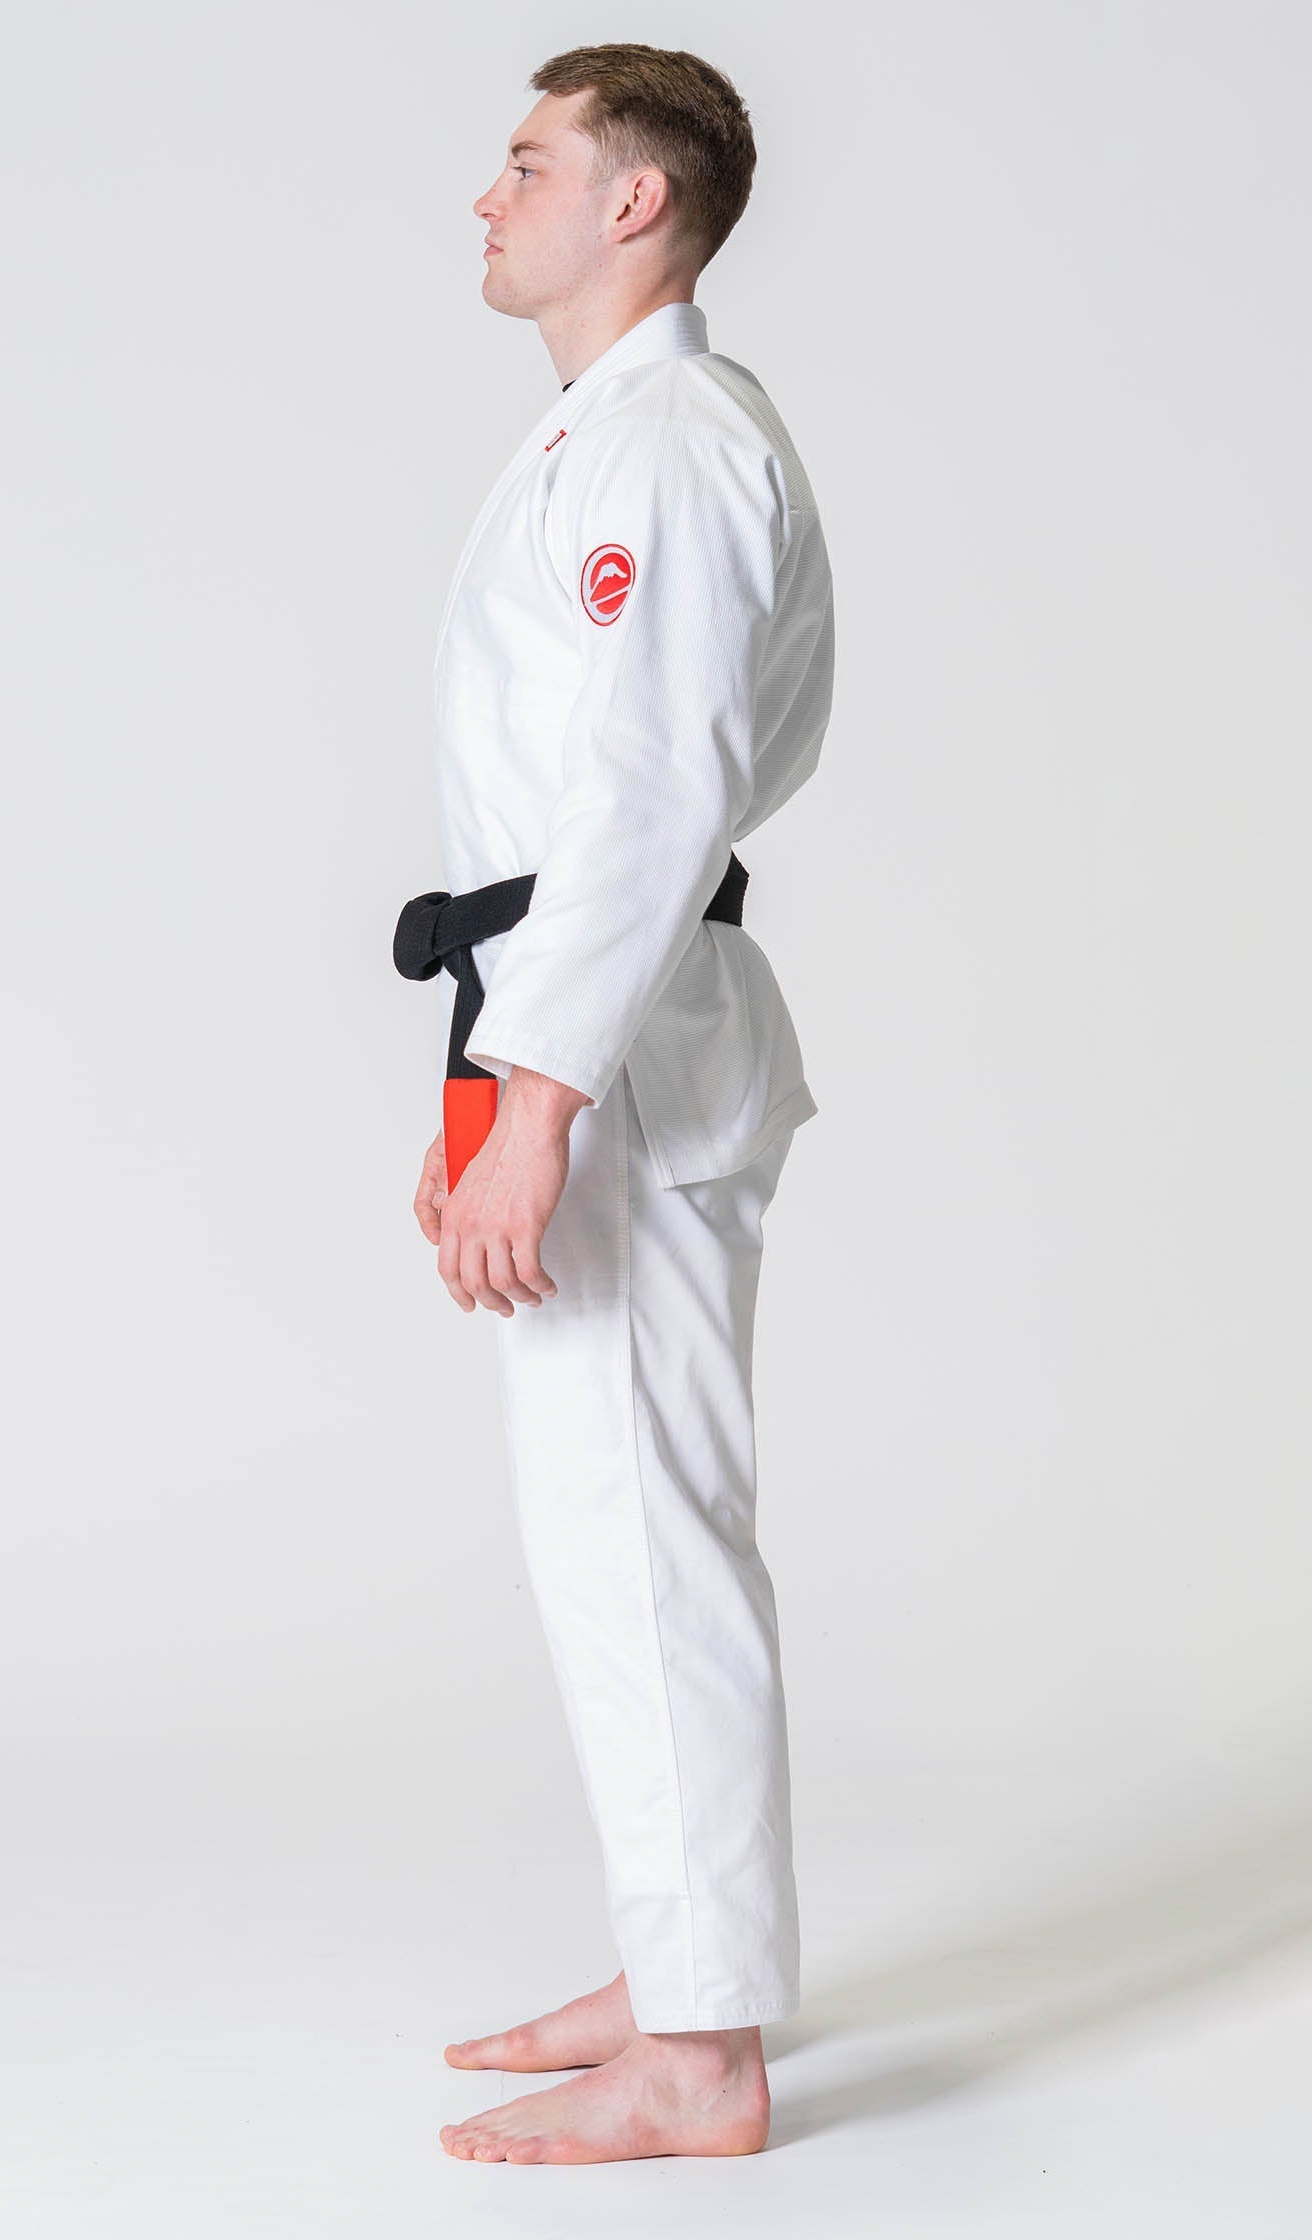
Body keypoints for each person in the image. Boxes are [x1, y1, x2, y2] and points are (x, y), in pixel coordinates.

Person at [397, 43, 834, 2165]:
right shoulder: (612, 436)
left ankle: (705, 2051)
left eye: (528, 161)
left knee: (646, 1541)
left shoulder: (673, 445)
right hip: (586, 1025)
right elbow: (565, 816)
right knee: (606, 1535)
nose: (489, 198)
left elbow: (653, 800)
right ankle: (682, 1973)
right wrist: (488, 1082)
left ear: (635, 202)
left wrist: (546, 1094)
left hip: (630, 1052)